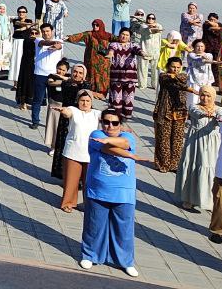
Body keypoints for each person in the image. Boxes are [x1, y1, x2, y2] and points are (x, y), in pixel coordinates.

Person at [79, 109, 148, 277]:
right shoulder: (95, 134)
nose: (110, 125)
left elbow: (124, 144)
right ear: (101, 122)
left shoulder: (128, 137)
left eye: (115, 123)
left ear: (121, 124)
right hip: (98, 190)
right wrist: (132, 157)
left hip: (124, 193)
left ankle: (126, 261)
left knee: (124, 229)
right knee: (94, 225)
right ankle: (90, 255)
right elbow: (107, 149)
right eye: (106, 122)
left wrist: (109, 140)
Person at [176, 86, 222, 211]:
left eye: (208, 96)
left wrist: (218, 117)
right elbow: (196, 114)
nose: (205, 98)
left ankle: (207, 200)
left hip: (211, 144)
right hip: (195, 142)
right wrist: (205, 113)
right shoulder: (194, 106)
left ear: (213, 97)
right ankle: (189, 198)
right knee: (192, 167)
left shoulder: (219, 109)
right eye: (203, 95)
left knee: (208, 167)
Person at [59, 90, 100, 212]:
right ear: (78, 101)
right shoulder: (74, 110)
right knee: (71, 180)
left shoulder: (96, 113)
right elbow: (67, 112)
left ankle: (88, 204)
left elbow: (108, 117)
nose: (85, 103)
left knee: (89, 182)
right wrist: (63, 111)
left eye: (88, 101)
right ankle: (68, 203)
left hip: (90, 154)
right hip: (73, 152)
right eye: (82, 101)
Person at [66, 20, 113, 97]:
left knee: (102, 76)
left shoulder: (107, 35)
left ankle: (102, 93)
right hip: (91, 60)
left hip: (103, 61)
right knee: (90, 75)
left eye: (97, 25)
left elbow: (118, 40)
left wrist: (111, 50)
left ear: (101, 26)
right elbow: (79, 36)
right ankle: (91, 91)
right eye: (93, 25)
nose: (95, 27)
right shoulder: (89, 34)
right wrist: (68, 38)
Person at [106, 29, 144, 119]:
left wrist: (143, 54)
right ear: (119, 35)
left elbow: (138, 50)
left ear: (130, 37)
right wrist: (110, 54)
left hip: (130, 77)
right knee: (116, 98)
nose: (124, 36)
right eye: (123, 34)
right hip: (116, 77)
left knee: (128, 99)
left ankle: (126, 117)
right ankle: (115, 117)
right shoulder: (114, 44)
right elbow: (111, 50)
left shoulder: (133, 45)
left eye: (127, 35)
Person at [132, 11, 162, 90]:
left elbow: (158, 29)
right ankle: (142, 85)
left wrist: (153, 26)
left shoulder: (158, 25)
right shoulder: (143, 26)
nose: (150, 19)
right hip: (144, 50)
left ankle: (155, 84)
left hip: (155, 51)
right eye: (149, 18)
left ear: (155, 19)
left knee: (155, 70)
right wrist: (150, 26)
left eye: (152, 18)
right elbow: (147, 30)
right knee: (142, 69)